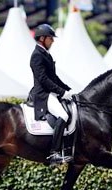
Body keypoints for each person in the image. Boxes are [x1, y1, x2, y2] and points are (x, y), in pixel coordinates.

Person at [28, 24, 72, 165]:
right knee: (63, 116)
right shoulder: (36, 56)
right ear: (42, 39)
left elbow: (53, 77)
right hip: (43, 94)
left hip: (51, 93)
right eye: (50, 38)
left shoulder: (45, 54)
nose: (52, 41)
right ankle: (54, 153)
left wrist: (67, 89)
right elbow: (43, 79)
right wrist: (61, 92)